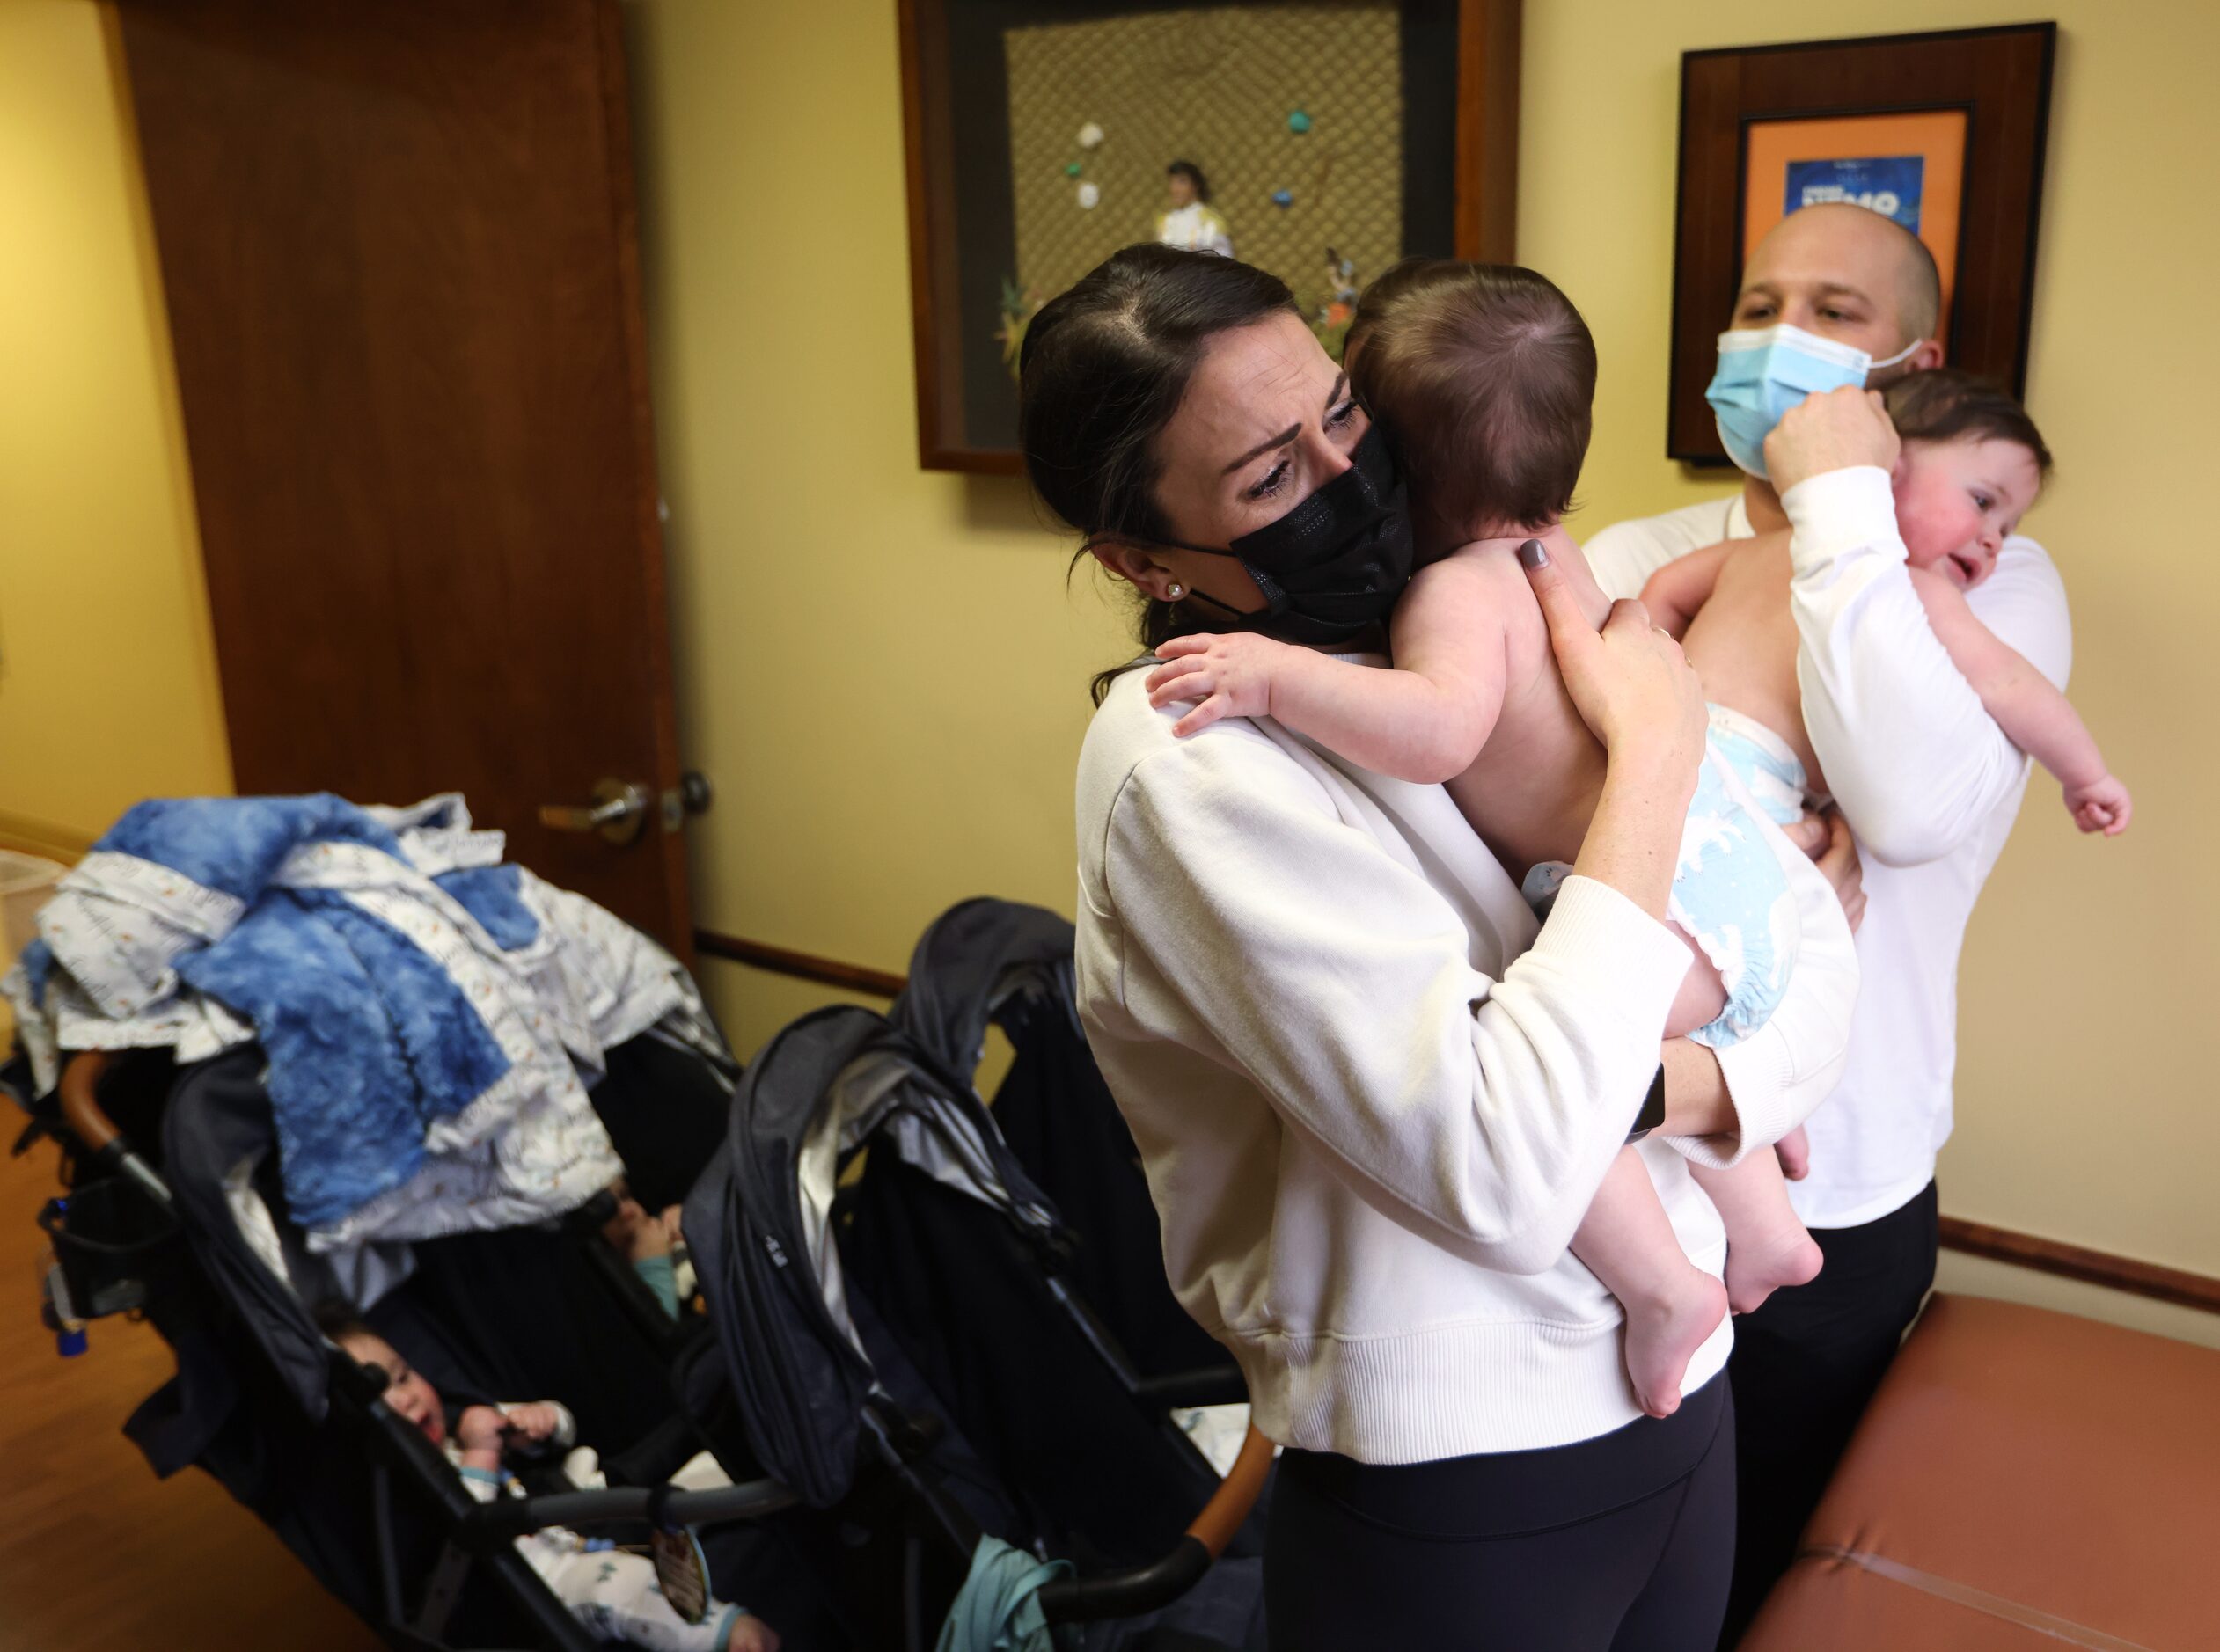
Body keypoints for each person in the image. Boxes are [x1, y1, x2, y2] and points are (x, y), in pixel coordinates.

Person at [1022, 241, 1859, 1650]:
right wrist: (1653, 747)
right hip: (1468, 1475)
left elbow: (1815, 967)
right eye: (1268, 477)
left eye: (1339, 413)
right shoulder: (1195, 756)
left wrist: (1693, 1082)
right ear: (1138, 554)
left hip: (1680, 1381)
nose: (1349, 475)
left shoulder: (1464, 610)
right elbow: (1508, 1166)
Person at [1583, 201, 2076, 1638]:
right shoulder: (1633, 550)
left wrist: (1848, 501)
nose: (1775, 339)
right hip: (1626, 1170)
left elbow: (1910, 805)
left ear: (1910, 365)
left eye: (1830, 312)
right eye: (1755, 303)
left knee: (1754, 1591)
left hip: (1839, 1190)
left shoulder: (1993, 574)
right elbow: (1539, 831)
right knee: (1614, 1585)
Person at [1644, 369, 2130, 838]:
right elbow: (2009, 684)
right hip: (1748, 787)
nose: (1993, 542)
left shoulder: (1756, 551)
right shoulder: (1915, 590)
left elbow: (1664, 591)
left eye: (2006, 528)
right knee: (1794, 916)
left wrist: (1644, 690)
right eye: (1983, 502)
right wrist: (2086, 777)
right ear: (1886, 468)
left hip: (1657, 746)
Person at [327, 1320, 779, 1652]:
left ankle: (776, 1493)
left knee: (698, 1477)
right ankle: (727, 1635)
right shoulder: (404, 1497)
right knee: (619, 1587)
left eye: (403, 1376)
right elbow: (468, 1536)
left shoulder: (460, 1428)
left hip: (582, 1518)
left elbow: (564, 1431)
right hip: (548, 1581)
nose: (407, 1400)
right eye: (388, 1404)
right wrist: (482, 1455)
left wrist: (542, 1421)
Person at [1154, 160, 1234, 258]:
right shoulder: (1166, 221)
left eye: (1182, 182)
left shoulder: (1210, 221)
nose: (1175, 189)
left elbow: (1224, 259)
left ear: (1196, 185)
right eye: (1172, 182)